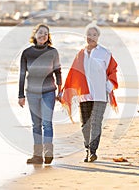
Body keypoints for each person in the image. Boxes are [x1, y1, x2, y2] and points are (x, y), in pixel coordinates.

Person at [60, 23, 118, 163]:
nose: (91, 37)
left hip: (100, 94)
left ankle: (93, 151)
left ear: (98, 37)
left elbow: (113, 71)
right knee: (85, 123)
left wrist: (107, 87)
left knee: (96, 122)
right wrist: (65, 92)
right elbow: (73, 74)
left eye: (94, 35)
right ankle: (87, 149)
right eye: (89, 34)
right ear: (85, 36)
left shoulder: (105, 53)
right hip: (84, 95)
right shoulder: (80, 54)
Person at [18, 23, 62, 164]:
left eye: (46, 33)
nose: (43, 35)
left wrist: (60, 91)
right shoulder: (26, 53)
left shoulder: (53, 52)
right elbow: (22, 75)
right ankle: (37, 156)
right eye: (41, 32)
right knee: (36, 124)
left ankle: (48, 153)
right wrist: (21, 95)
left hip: (49, 92)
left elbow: (58, 71)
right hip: (31, 93)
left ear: (48, 37)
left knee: (47, 123)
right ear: (35, 34)